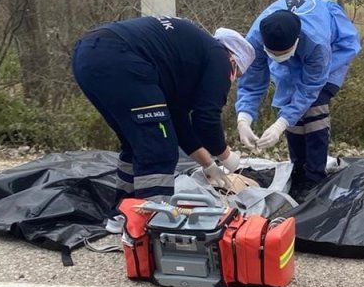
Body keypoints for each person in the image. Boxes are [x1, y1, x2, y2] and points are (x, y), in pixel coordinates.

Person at [72, 16, 255, 200]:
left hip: (88, 54)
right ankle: (150, 218)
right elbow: (206, 120)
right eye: (236, 74)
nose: (230, 80)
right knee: (158, 149)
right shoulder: (220, 58)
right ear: (233, 60)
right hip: (119, 57)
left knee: (136, 144)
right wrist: (227, 158)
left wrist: (209, 165)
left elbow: (178, 120)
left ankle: (123, 214)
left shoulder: (188, 55)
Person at [235, 0, 360, 199]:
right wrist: (243, 118)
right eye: (274, 54)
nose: (279, 57)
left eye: (283, 54)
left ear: (296, 43)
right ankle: (298, 170)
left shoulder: (317, 44)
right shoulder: (256, 38)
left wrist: (280, 124)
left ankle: (314, 178)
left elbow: (310, 88)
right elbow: (251, 79)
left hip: (334, 49)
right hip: (297, 50)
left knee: (315, 107)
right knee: (288, 102)